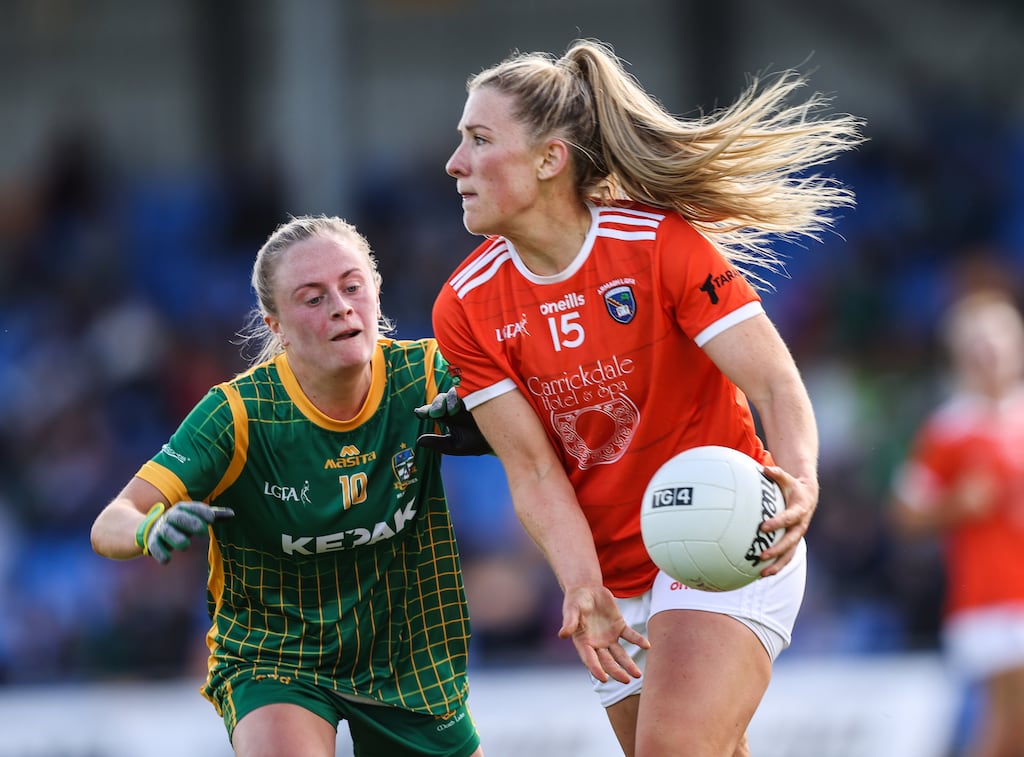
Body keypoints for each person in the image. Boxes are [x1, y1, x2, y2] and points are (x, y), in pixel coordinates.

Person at [427, 38, 864, 757]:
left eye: (478, 140)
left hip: (723, 537)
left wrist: (803, 483)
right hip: (611, 582)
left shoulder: (658, 245)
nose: (455, 163)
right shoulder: (465, 306)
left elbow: (775, 383)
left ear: (548, 158)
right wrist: (580, 586)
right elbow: (533, 471)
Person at [91, 215, 484, 757]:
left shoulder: (427, 374)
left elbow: (540, 423)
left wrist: (486, 424)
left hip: (407, 656)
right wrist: (150, 528)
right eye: (313, 298)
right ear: (275, 325)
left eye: (352, 287)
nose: (341, 307)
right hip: (276, 657)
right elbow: (111, 521)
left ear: (375, 292)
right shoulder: (236, 415)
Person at [890, 288, 1024, 757]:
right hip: (989, 598)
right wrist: (956, 506)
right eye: (978, 345)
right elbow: (905, 514)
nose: (989, 354)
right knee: (1008, 723)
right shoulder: (949, 429)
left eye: (998, 341)